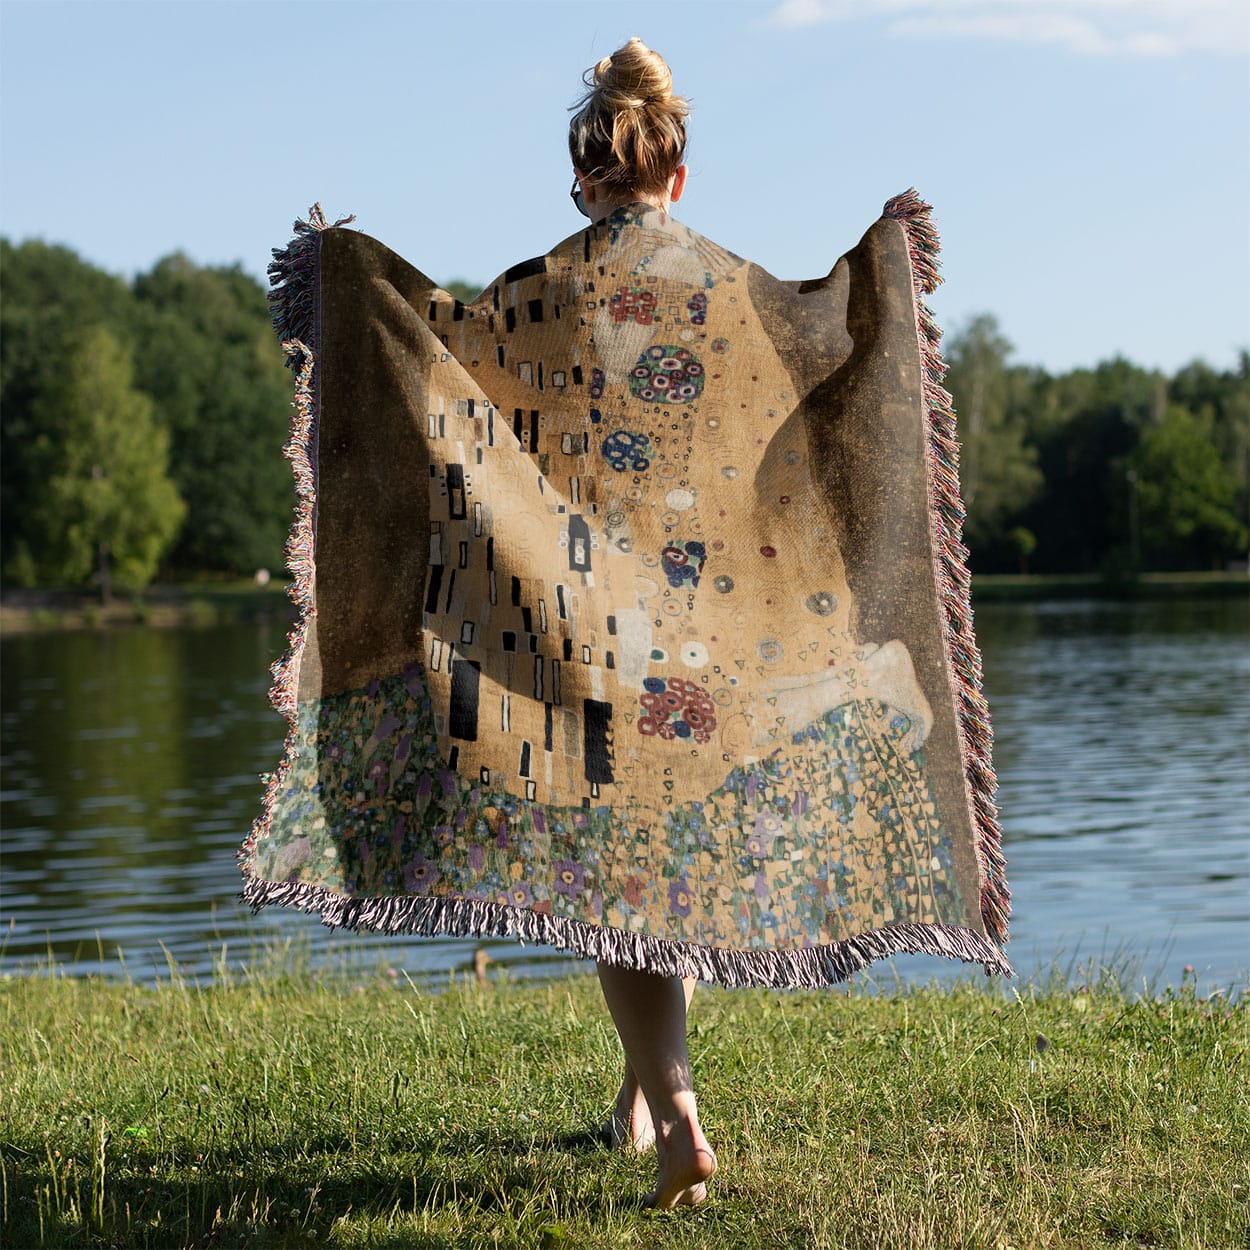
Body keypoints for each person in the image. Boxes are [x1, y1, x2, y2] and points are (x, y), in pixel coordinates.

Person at [565, 37, 717, 1210]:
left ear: (586, 179)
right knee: (662, 874)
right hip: (711, 622)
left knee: (614, 891)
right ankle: (632, 1098)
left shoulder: (546, 285)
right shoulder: (726, 284)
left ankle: (677, 1118)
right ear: (675, 172)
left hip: (589, 619)